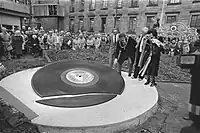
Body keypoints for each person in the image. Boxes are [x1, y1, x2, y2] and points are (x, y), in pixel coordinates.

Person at [183, 29, 200, 127]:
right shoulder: (196, 45)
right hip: (196, 74)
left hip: (197, 75)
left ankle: (193, 115)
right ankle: (193, 114)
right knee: (195, 96)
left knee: (195, 96)